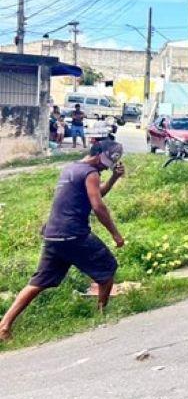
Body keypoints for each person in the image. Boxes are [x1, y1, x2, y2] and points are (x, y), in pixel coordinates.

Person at [0, 140, 126, 342]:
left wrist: (113, 178)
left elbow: (94, 193)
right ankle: (101, 315)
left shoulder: (72, 168)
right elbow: (98, 205)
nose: (105, 167)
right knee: (108, 268)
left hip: (53, 234)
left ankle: (4, 326)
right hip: (74, 234)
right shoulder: (90, 173)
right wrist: (115, 234)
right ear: (98, 155)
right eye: (106, 163)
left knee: (38, 282)